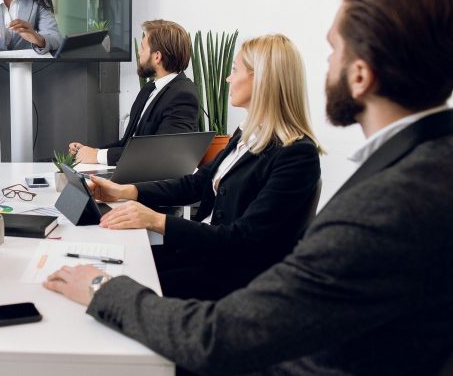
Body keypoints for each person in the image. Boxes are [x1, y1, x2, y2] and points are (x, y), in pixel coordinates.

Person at [44, 0, 453, 375]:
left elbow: (221, 337)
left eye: (334, 50)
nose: (327, 64)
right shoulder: (425, 164)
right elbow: (201, 184)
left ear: (361, 75)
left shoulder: (388, 201)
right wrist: (129, 193)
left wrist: (102, 289)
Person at [90, 34, 323, 299]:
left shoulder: (297, 155)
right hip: (203, 257)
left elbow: (244, 240)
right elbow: (197, 184)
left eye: (234, 70)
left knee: (113, 287)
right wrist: (124, 191)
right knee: (112, 263)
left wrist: (155, 220)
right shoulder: (247, 135)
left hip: (232, 279)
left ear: (261, 80)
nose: (228, 79)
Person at [69, 19, 201, 166]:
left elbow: (162, 153)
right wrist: (89, 152)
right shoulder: (149, 88)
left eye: (143, 48)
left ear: (157, 57)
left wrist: (97, 155)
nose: (139, 53)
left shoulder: (183, 96)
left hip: (150, 183)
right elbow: (126, 144)